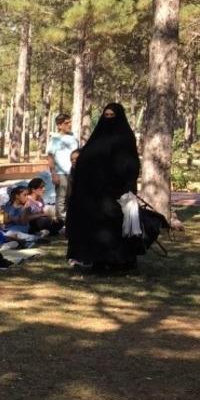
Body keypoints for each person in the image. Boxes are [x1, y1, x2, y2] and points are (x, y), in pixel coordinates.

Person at [66, 103, 142, 273]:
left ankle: (121, 263)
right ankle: (99, 262)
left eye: (112, 116)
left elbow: (130, 164)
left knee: (117, 229)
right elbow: (85, 161)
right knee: (98, 229)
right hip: (97, 195)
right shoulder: (97, 139)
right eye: (106, 115)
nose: (108, 119)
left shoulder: (126, 137)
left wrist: (126, 185)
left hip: (118, 193)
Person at [46, 113, 79, 219]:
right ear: (59, 125)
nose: (69, 125)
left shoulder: (73, 138)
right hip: (61, 173)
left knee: (72, 197)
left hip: (73, 173)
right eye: (66, 123)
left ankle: (71, 220)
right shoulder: (55, 140)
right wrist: (53, 174)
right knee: (61, 198)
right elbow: (50, 157)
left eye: (70, 122)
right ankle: (62, 221)